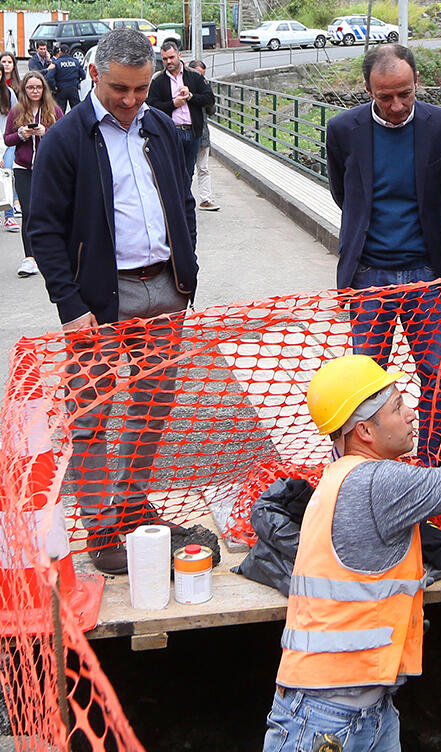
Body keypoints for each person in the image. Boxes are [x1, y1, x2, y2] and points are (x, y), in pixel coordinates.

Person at [262, 354, 441, 752]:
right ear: (365, 430)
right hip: (326, 721)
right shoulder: (377, 482)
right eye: (398, 407)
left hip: (364, 711)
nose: (412, 413)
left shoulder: (340, 478)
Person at [29, 28, 198, 575]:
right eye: (120, 89)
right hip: (100, 300)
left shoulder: (160, 129)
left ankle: (130, 501)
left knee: (153, 407)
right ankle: (102, 523)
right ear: (95, 76)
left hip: (164, 289)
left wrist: (187, 274)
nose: (131, 100)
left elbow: (182, 200)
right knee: (93, 411)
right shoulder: (66, 139)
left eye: (142, 89)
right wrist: (71, 304)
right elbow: (43, 231)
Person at [326, 44, 441, 467]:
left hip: (427, 275)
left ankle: (430, 465)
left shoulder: (439, 125)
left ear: (416, 82)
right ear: (368, 89)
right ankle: (362, 470)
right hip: (368, 275)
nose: (397, 106)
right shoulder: (343, 129)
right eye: (385, 97)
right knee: (364, 386)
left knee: (435, 376)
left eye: (405, 94)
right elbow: (344, 195)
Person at [4, 72, 63, 278]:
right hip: (23, 168)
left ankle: (51, 254)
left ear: (44, 89)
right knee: (28, 212)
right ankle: (29, 258)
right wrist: (21, 134)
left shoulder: (54, 110)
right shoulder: (17, 110)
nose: (35, 91)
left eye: (38, 87)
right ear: (24, 90)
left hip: (48, 168)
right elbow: (8, 139)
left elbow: (65, 136)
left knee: (49, 211)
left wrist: (45, 132)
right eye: (30, 88)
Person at [147, 40, 215, 181]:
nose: (168, 61)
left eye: (171, 57)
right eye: (165, 59)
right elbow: (151, 106)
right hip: (171, 132)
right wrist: (173, 104)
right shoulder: (158, 80)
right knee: (172, 172)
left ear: (179, 55)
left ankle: (185, 200)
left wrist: (190, 96)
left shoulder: (194, 76)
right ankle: (177, 200)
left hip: (192, 132)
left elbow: (209, 99)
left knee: (188, 172)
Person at [187, 60, 219, 211]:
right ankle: (183, 198)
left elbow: (212, 110)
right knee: (185, 169)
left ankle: (205, 199)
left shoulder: (203, 88)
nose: (201, 79)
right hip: (185, 134)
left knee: (203, 168)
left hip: (202, 134)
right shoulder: (181, 87)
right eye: (198, 75)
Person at [1, 50, 20, 233]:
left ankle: (9, 216)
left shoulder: (8, 93)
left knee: (7, 174)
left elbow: (15, 116)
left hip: (6, 143)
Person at [45, 43, 85, 113]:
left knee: (60, 112)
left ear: (60, 52)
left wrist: (54, 87)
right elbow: (83, 75)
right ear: (69, 52)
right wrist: (77, 82)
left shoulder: (57, 63)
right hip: (73, 89)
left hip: (61, 90)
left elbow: (49, 77)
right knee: (77, 111)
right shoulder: (75, 61)